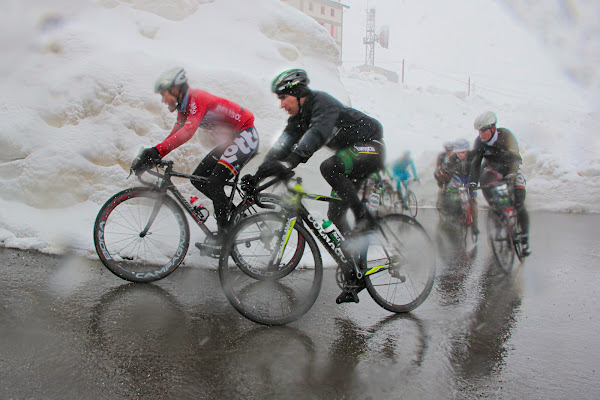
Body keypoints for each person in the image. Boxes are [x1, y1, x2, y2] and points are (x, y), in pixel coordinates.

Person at [253, 68, 385, 304]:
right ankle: (354, 271)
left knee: (329, 166)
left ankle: (364, 217)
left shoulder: (322, 103)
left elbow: (318, 133)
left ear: (297, 93)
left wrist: (292, 161)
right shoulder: (299, 119)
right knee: (334, 214)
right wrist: (259, 174)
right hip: (351, 161)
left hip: (370, 147)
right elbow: (282, 145)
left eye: (283, 97)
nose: (281, 104)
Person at [132, 67, 259, 247]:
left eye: (163, 94)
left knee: (215, 182)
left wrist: (156, 151)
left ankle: (224, 237)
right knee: (198, 179)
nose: (162, 100)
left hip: (246, 135)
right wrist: (153, 154)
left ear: (175, 90)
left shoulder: (197, 98)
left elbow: (188, 132)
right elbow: (175, 133)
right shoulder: (183, 108)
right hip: (233, 139)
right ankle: (234, 216)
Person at [469, 111, 530, 255]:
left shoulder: (506, 136)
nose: (481, 134)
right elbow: (476, 163)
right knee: (486, 183)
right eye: (479, 131)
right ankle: (499, 216)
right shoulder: (479, 142)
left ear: (493, 129)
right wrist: (472, 182)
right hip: (493, 169)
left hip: (511, 167)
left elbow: (515, 158)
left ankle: (525, 239)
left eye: (484, 130)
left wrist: (512, 174)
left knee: (519, 202)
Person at [442, 138, 479, 235]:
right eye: (458, 152)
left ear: (467, 150)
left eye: (463, 152)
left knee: (472, 201)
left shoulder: (473, 157)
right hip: (458, 178)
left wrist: (473, 183)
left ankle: (475, 224)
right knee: (452, 196)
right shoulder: (453, 158)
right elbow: (448, 168)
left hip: (470, 179)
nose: (461, 154)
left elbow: (477, 170)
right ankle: (454, 215)